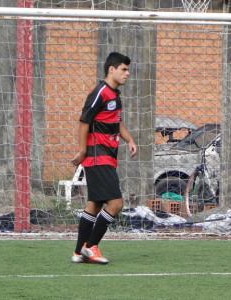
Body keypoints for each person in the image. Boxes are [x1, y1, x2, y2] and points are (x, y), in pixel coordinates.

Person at [71, 52, 137, 264]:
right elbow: (84, 122)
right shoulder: (100, 92)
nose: (127, 73)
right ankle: (91, 246)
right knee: (116, 203)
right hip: (97, 156)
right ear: (111, 69)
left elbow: (116, 122)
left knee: (95, 204)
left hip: (107, 155)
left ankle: (78, 252)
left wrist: (129, 140)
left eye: (128, 70)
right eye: (124, 69)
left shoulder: (115, 95)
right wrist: (82, 150)